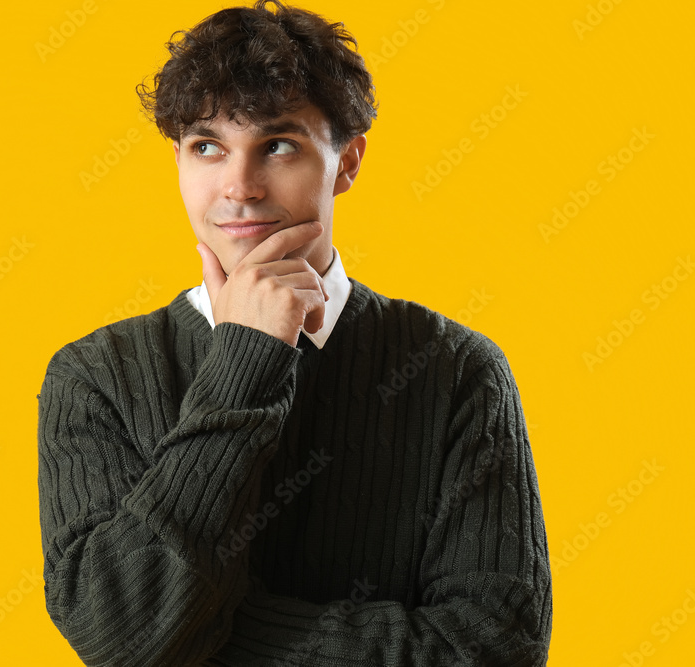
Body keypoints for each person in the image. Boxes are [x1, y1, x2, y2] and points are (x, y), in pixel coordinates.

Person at [37, 1, 553, 664]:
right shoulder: (94, 376)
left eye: (277, 144)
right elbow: (121, 630)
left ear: (348, 162)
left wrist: (202, 635)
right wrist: (244, 362)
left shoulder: (456, 370)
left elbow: (494, 649)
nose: (239, 187)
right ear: (178, 159)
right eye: (207, 147)